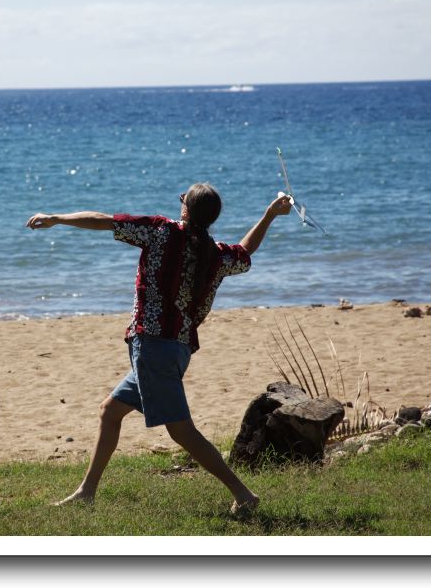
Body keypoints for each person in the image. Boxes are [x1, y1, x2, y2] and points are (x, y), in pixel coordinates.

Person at [25, 183, 292, 514]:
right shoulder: (217, 254)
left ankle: (243, 495)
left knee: (181, 431)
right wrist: (269, 215)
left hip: (154, 349)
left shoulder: (160, 232)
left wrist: (57, 218)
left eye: (183, 200)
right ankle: (87, 491)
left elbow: (104, 220)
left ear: (185, 210)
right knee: (110, 412)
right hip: (175, 350)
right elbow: (245, 251)